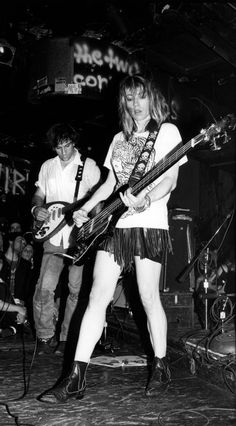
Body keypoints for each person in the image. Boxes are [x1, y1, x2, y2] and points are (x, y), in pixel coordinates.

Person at [39, 73, 187, 403]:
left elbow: (170, 179)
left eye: (141, 97)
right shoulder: (119, 138)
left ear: (153, 98)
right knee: (96, 296)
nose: (136, 105)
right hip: (114, 226)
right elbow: (109, 185)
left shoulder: (166, 131)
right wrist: (83, 208)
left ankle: (160, 366)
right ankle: (75, 377)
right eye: (130, 99)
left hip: (149, 223)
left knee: (148, 297)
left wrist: (147, 200)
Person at [31, 123, 101, 355]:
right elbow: (39, 194)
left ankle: (66, 338)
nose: (64, 152)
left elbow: (99, 201)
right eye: (58, 147)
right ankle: (44, 335)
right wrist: (36, 210)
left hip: (78, 236)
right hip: (52, 236)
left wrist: (95, 226)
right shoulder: (47, 166)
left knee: (75, 291)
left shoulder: (88, 166)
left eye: (67, 146)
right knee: (44, 288)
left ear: (74, 143)